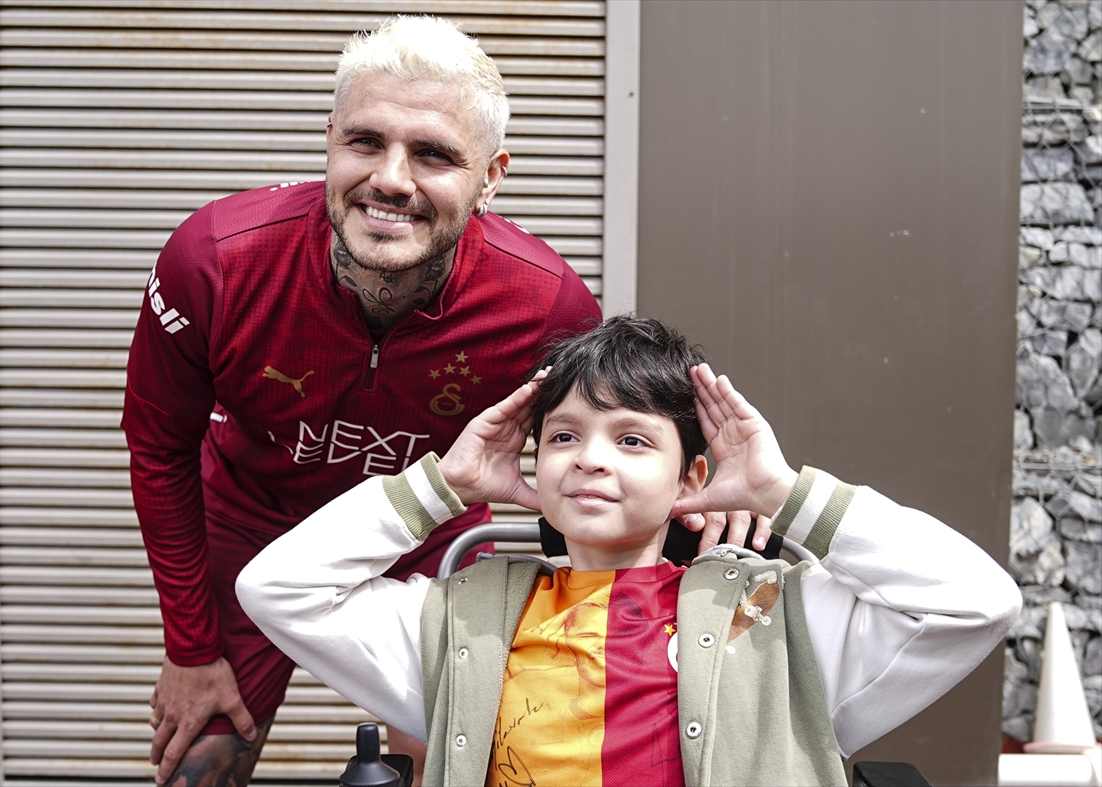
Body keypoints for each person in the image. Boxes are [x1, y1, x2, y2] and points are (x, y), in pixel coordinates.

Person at [121, 15, 616, 785]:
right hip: (250, 515)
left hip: (425, 527)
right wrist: (190, 648)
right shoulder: (214, 259)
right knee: (203, 758)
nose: (391, 178)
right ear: (329, 141)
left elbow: (605, 451)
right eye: (365, 141)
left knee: (448, 759)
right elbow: (159, 448)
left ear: (491, 177)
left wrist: (703, 504)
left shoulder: (546, 304)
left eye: (433, 154)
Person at [236, 315, 1022, 786]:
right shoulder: (464, 623)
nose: (590, 458)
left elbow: (975, 603)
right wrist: (444, 484)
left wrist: (782, 493)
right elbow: (276, 588)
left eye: (633, 439)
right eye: (563, 436)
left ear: (691, 479)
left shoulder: (768, 616)